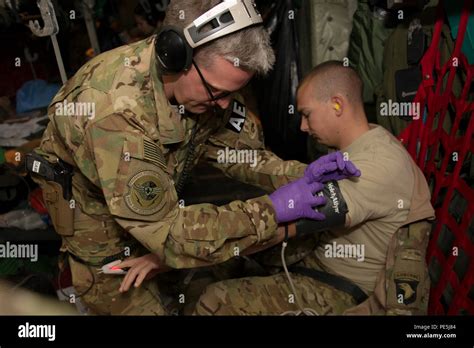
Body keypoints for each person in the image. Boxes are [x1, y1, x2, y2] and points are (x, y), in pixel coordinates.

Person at [29, 1, 359, 315]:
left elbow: (240, 155)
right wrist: (271, 210)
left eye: (233, 93)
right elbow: (172, 235)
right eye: (218, 92)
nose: (226, 105)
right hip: (109, 253)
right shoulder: (114, 114)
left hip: (162, 229)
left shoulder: (208, 88)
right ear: (175, 57)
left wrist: (299, 175)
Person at [191, 60, 435, 315]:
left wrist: (194, 247)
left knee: (215, 299)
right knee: (227, 263)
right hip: (314, 261)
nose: (303, 127)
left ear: (337, 104)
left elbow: (282, 229)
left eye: (307, 114)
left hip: (337, 288)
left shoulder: (377, 164)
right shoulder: (366, 140)